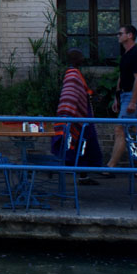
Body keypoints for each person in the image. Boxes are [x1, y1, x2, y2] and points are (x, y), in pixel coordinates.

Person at [52, 48, 102, 183]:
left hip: (80, 114)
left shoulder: (75, 74)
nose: (83, 58)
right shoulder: (73, 74)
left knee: (83, 144)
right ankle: (82, 174)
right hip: (76, 114)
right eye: (80, 56)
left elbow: (82, 91)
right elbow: (71, 95)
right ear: (75, 59)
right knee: (80, 143)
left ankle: (84, 174)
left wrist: (92, 93)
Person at [106, 24, 137, 171]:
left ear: (130, 35)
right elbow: (121, 76)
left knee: (120, 129)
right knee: (136, 131)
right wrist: (117, 98)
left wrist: (133, 102)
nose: (118, 36)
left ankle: (111, 166)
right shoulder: (126, 55)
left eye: (120, 33)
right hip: (125, 95)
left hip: (132, 95)